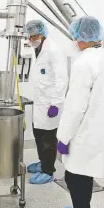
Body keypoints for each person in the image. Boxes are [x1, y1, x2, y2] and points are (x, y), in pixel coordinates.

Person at [57, 16, 104, 208]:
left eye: (74, 36)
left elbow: (75, 107)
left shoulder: (83, 63)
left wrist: (63, 137)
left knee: (75, 177)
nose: (73, 39)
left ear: (81, 37)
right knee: (83, 175)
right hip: (98, 128)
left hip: (83, 130)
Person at [25, 20, 68, 184]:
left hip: (50, 103)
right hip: (39, 102)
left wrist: (56, 104)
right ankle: (43, 163)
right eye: (30, 36)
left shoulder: (53, 50)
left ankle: (48, 171)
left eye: (35, 35)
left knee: (48, 138)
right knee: (38, 133)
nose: (32, 39)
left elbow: (62, 79)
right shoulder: (37, 49)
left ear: (43, 33)